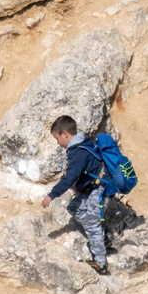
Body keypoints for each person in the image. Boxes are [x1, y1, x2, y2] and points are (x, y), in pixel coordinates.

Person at [41, 114, 108, 274]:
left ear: (65, 134)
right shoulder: (84, 142)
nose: (58, 143)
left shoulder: (78, 152)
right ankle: (100, 236)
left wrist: (51, 195)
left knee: (92, 225)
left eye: (57, 138)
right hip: (92, 188)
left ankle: (101, 264)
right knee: (73, 207)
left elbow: (70, 177)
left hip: (97, 191)